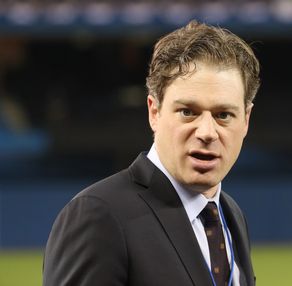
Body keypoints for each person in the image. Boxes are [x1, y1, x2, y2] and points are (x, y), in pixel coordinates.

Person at [43, 20, 260, 286]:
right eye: (188, 112)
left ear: (246, 120)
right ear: (154, 112)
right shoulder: (100, 215)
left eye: (223, 115)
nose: (207, 132)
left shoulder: (229, 214)